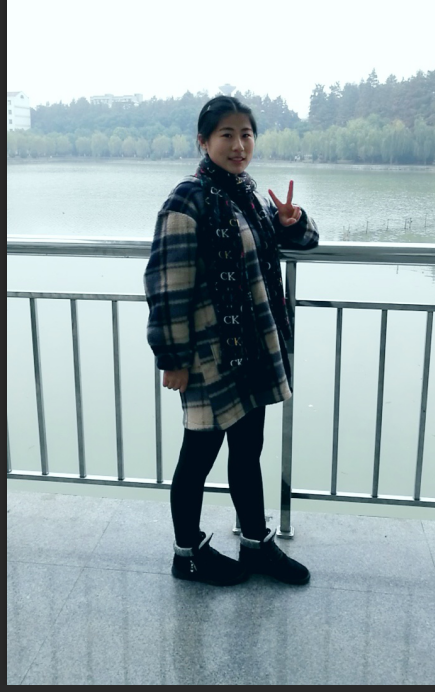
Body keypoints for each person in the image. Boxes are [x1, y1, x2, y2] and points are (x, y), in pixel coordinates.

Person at [143, 95, 319, 587]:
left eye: (246, 134)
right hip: (209, 355)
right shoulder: (188, 200)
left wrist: (292, 221)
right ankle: (187, 554)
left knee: (247, 449)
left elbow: (304, 242)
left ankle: (255, 544)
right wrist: (172, 357)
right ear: (203, 141)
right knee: (198, 454)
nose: (239, 145)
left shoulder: (248, 197)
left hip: (252, 350)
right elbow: (166, 284)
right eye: (227, 134)